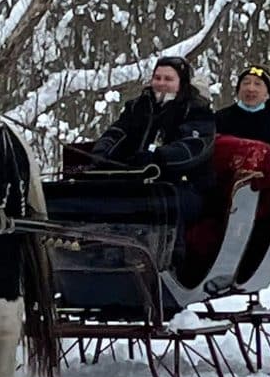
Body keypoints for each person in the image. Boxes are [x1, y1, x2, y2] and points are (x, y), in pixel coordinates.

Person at [89, 56, 216, 267]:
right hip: (136, 179)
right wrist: (103, 152)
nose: (161, 83)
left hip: (184, 185)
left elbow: (194, 147)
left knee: (164, 202)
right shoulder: (138, 106)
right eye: (157, 77)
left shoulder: (196, 110)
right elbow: (119, 131)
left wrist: (159, 157)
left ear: (181, 83)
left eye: (168, 78)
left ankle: (169, 262)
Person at [215, 64, 270, 171]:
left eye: (257, 84)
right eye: (246, 83)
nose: (250, 88)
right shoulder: (221, 118)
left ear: (268, 94)